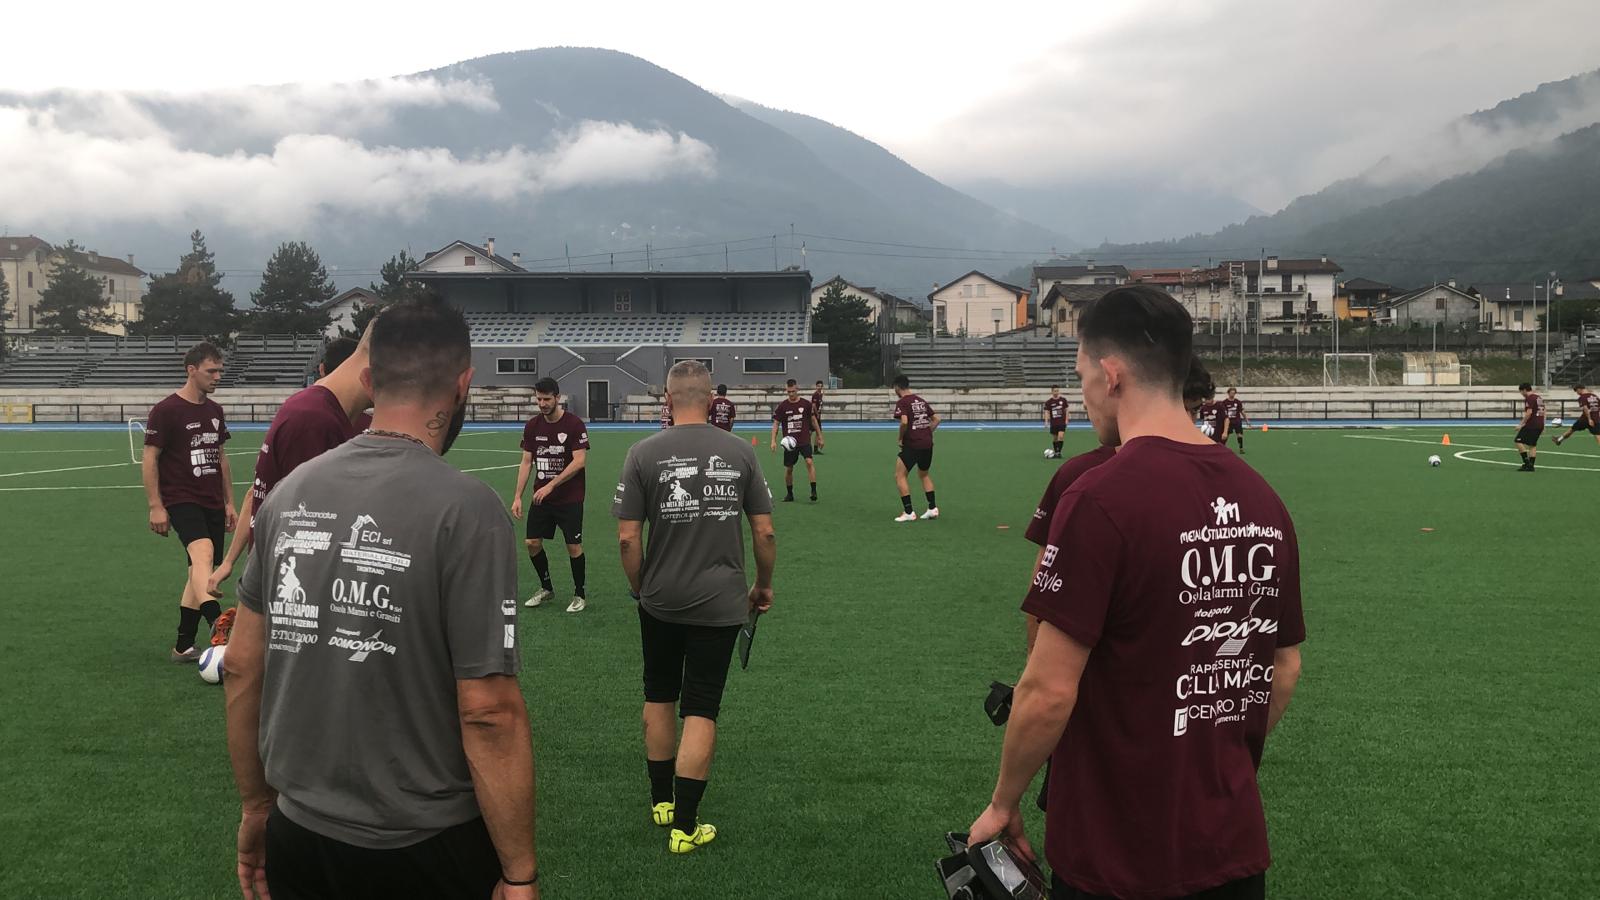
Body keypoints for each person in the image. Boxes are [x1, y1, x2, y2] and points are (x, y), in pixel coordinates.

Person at [968, 285, 1304, 900]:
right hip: (1231, 845)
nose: (1083, 395)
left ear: (1111, 374)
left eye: (1082, 376)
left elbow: (1048, 690)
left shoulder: (1100, 496)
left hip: (1116, 855)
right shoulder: (1264, 499)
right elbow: (1283, 668)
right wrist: (1219, 764)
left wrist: (1003, 802)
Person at [224, 300, 539, 900]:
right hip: (424, 844)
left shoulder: (288, 493)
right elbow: (488, 711)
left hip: (299, 832)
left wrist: (256, 806)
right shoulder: (469, 509)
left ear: (369, 381)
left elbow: (241, 664)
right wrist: (520, 872)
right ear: (464, 383)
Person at [613, 360, 777, 855]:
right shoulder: (740, 451)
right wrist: (762, 585)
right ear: (711, 400)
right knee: (701, 707)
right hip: (720, 602)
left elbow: (627, 538)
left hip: (659, 600)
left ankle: (662, 802)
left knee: (659, 693)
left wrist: (641, 588)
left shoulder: (642, 453)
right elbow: (765, 531)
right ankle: (685, 828)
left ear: (667, 400)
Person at [209, 330, 374, 602]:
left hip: (277, 568)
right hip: (294, 576)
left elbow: (258, 493)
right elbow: (311, 520)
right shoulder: (315, 420)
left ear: (321, 369)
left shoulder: (308, 409)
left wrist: (229, 562)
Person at [142, 342, 236, 663]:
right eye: (211, 371)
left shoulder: (215, 411)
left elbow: (221, 458)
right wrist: (156, 505)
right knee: (203, 554)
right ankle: (216, 620)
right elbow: (150, 457)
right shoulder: (166, 410)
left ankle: (183, 646)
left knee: (198, 570)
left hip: (212, 500)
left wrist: (229, 503)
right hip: (181, 497)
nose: (217, 376)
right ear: (191, 370)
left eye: (220, 370)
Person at [511, 377, 590, 613]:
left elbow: (579, 461)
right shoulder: (532, 426)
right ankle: (546, 588)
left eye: (547, 399)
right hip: (542, 498)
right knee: (532, 542)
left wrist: (551, 485)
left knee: (573, 546)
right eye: (539, 399)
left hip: (570, 498)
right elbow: (527, 462)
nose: (542, 404)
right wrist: (517, 496)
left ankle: (579, 594)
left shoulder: (574, 424)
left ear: (558, 397)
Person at [891, 375, 940, 522]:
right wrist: (926, 433)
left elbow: (904, 422)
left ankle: (908, 512)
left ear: (897, 387)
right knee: (924, 474)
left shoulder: (902, 402)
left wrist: (900, 437)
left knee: (899, 475)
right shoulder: (920, 401)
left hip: (913, 444)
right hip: (927, 444)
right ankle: (932, 508)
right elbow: (937, 419)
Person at [770, 378, 822, 502]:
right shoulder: (783, 406)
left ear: (797, 389)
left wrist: (820, 436)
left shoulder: (806, 404)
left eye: (793, 391)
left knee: (809, 462)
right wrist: (773, 440)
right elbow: (776, 423)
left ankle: (813, 491)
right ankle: (790, 494)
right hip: (790, 443)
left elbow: (813, 420)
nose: (791, 394)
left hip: (804, 440)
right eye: (789, 392)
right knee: (789, 468)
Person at [1516, 382, 1545, 471]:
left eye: (1521, 391)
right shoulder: (1539, 398)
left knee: (1518, 441)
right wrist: (1543, 425)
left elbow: (1529, 412)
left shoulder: (1530, 398)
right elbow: (1544, 411)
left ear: (1524, 390)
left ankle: (1527, 463)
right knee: (1532, 444)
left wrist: (1521, 424)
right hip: (1539, 424)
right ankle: (1531, 466)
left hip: (1532, 424)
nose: (1521, 394)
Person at [1220, 387, 1250, 453]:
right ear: (1228, 393)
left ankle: (1241, 448)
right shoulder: (1224, 402)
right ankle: (1222, 447)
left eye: (1234, 393)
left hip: (1237, 421)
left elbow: (1242, 411)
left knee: (1239, 435)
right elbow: (1222, 413)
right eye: (1231, 393)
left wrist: (1247, 420)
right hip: (1228, 421)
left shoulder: (1238, 402)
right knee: (1226, 435)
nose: (1232, 394)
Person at [1042, 386, 1069, 458]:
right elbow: (1047, 412)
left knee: (1061, 436)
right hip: (1054, 423)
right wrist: (1046, 422)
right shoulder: (1049, 402)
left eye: (1057, 391)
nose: (1056, 392)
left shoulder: (1063, 400)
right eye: (1055, 391)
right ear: (1052, 392)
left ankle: (1058, 453)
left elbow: (1066, 410)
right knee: (1055, 438)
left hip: (1061, 422)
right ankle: (1056, 451)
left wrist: (1067, 419)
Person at [811, 380, 827, 454]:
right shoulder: (815, 395)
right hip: (814, 416)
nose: (819, 387)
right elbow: (813, 405)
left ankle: (815, 449)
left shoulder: (820, 394)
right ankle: (804, 447)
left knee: (817, 432)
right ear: (816, 386)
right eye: (818, 386)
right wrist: (817, 414)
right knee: (811, 432)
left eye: (821, 386)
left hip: (817, 416)